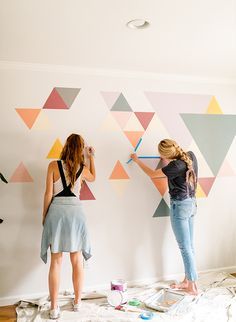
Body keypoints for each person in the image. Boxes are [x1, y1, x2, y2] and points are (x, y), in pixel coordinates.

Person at [130, 138, 198, 295]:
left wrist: (137, 160)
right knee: (190, 245)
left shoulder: (175, 166)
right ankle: (188, 280)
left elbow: (153, 174)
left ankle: (193, 286)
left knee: (184, 247)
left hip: (180, 206)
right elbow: (178, 171)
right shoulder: (190, 156)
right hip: (192, 204)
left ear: (167, 154)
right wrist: (166, 159)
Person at [40, 133, 95, 319]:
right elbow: (93, 177)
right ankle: (78, 303)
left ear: (65, 146)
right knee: (76, 259)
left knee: (56, 261)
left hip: (56, 213)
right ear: (80, 149)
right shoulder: (83, 167)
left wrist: (44, 216)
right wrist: (91, 157)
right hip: (76, 214)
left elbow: (48, 194)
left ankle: (54, 308)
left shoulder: (52, 165)